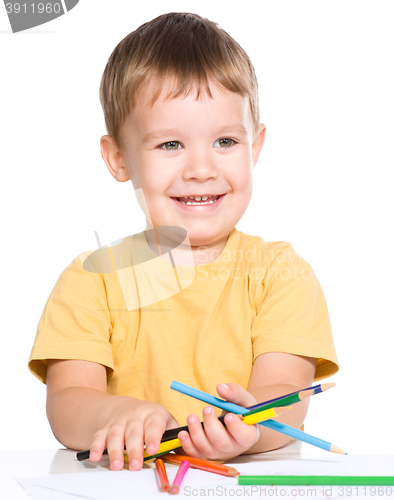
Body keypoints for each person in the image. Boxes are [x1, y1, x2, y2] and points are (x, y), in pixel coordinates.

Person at [28, 12, 338, 472]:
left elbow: (285, 393)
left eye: (226, 141)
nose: (201, 169)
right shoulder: (91, 281)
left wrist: (251, 426)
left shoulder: (280, 274)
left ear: (255, 147)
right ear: (118, 159)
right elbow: (68, 403)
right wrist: (117, 415)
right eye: (170, 145)